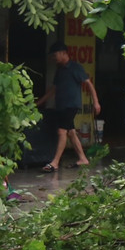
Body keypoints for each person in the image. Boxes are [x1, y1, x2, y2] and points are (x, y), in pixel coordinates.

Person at [36, 42, 100, 172]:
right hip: (61, 106)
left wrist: (96, 102)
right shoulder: (59, 71)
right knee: (71, 132)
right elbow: (53, 90)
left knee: (62, 131)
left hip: (71, 105)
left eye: (55, 55)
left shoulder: (76, 68)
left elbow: (89, 84)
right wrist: (38, 103)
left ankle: (55, 162)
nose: (54, 58)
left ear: (63, 53)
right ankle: (83, 158)